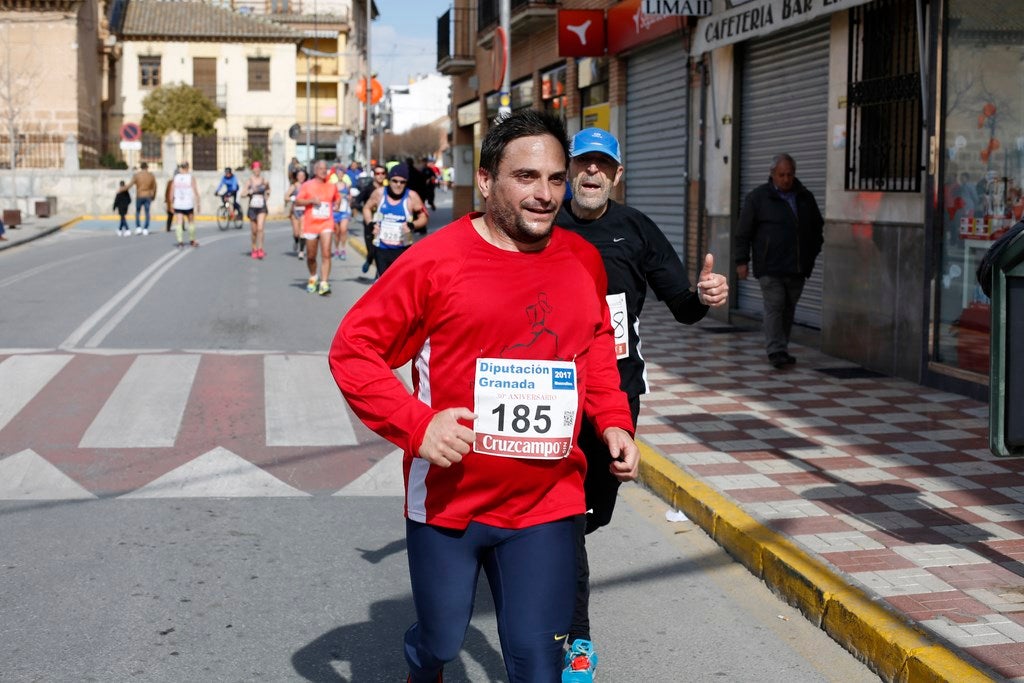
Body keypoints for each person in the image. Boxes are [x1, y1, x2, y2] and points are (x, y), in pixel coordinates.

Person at [329, 109, 639, 683]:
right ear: (488, 180)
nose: (546, 194)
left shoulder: (583, 261)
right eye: (527, 177)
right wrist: (417, 426)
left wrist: (613, 420)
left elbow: (595, 343)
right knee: (443, 639)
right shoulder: (434, 263)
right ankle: (424, 661)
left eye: (555, 178)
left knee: (535, 660)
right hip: (451, 503)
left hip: (549, 500)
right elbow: (353, 351)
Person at [554, 127, 729, 682]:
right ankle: (575, 637)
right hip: (551, 390)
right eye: (583, 163)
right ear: (569, 168)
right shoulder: (542, 222)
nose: (592, 174)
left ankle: (546, 559)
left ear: (617, 175)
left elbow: (682, 305)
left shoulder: (635, 230)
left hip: (616, 392)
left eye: (603, 166)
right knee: (564, 516)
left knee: (592, 514)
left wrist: (703, 297)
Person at [735, 153, 824, 369]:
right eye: (781, 174)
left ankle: (781, 346)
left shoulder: (805, 197)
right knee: (775, 306)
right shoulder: (758, 198)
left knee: (788, 308)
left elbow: (816, 229)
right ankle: (776, 350)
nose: (786, 179)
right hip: (770, 267)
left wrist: (810, 257)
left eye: (790, 175)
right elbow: (743, 232)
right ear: (772, 174)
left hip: (797, 267)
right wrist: (741, 261)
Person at [361, 163, 428, 277]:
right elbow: (366, 208)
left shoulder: (412, 197)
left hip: (403, 249)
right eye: (395, 181)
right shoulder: (379, 193)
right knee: (384, 284)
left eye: (402, 182)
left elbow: (424, 217)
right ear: (389, 180)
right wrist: (370, 223)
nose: (398, 185)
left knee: (399, 284)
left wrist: (412, 225)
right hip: (381, 248)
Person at [294, 159, 340, 295]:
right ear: (315, 171)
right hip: (311, 224)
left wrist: (337, 204)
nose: (323, 171)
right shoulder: (307, 185)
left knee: (326, 253)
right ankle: (313, 276)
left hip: (327, 223)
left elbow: (337, 198)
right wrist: (311, 201)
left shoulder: (332, 186)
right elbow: (297, 201)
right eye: (320, 168)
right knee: (311, 256)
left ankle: (324, 282)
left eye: (325, 168)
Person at [356, 164, 387, 277]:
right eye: (378, 173)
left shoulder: (388, 189)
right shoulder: (368, 188)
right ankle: (369, 261)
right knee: (371, 248)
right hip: (370, 223)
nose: (380, 176)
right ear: (374, 175)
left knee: (379, 249)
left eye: (382, 173)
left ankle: (378, 274)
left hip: (383, 223)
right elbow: (356, 202)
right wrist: (365, 211)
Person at [122, 161, 157, 235]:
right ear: (147, 167)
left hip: (140, 195)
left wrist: (122, 189)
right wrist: (153, 196)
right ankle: (146, 228)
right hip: (148, 195)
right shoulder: (151, 175)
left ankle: (138, 227)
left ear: (141, 167)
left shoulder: (137, 175)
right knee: (147, 212)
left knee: (138, 212)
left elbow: (129, 185)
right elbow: (154, 187)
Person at [171, 160, 200, 248]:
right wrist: (198, 203)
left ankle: (180, 241)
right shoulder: (190, 177)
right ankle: (192, 240)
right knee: (191, 222)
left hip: (178, 203)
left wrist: (171, 203)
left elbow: (171, 191)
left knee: (179, 222)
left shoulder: (176, 177)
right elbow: (195, 191)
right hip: (188, 204)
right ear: (187, 167)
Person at [244, 161, 270, 259]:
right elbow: (243, 193)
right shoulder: (249, 181)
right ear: (252, 169)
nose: (257, 170)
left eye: (258, 168)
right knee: (254, 231)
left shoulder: (264, 180)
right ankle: (254, 247)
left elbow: (268, 190)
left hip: (262, 207)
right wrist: (249, 191)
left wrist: (267, 195)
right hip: (252, 207)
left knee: (260, 228)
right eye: (255, 168)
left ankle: (260, 249)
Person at [287, 168, 308, 259]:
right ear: (296, 177)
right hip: (295, 211)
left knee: (302, 231)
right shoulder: (294, 186)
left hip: (305, 211)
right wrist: (292, 198)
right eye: (299, 176)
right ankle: (296, 241)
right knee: (296, 233)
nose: (301, 177)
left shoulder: (308, 186)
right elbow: (286, 196)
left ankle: (301, 251)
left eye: (303, 176)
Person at [164, 166, 178, 232]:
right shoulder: (170, 182)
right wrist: (166, 201)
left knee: (178, 214)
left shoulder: (171, 182)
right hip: (172, 200)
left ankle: (169, 227)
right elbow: (167, 192)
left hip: (175, 200)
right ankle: (168, 227)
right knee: (171, 214)